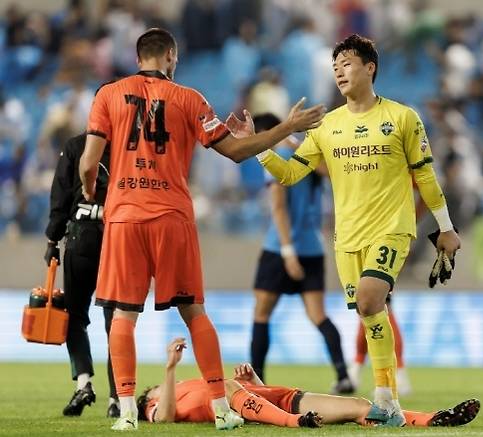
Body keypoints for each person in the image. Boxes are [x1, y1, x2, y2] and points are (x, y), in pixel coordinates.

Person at [79, 27, 325, 431]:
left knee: (122, 315)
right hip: (172, 217)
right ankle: (222, 408)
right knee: (194, 312)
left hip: (124, 215)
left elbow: (89, 163)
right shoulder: (190, 99)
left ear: (139, 56)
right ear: (171, 57)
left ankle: (125, 413)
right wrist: (286, 127)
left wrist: (94, 195)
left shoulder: (107, 94)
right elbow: (236, 151)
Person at [235, 33, 462, 426]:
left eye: (348, 64)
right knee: (369, 315)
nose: (339, 71)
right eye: (335, 66)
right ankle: (387, 400)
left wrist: (445, 228)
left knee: (373, 301)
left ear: (369, 68)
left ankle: (383, 397)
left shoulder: (402, 118)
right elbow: (290, 174)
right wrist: (260, 148)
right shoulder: (326, 126)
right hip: (347, 238)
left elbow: (425, 177)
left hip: (392, 229)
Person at [137, 338, 480, 428]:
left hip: (284, 398)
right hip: (282, 412)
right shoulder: (157, 403)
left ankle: (433, 418)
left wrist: (254, 382)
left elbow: (255, 400)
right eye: (153, 389)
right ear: (148, 398)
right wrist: (168, 371)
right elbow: (165, 417)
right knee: (226, 389)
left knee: (360, 407)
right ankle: (296, 424)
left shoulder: (195, 384)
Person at [250, 112, 352, 394]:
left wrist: (287, 251)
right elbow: (331, 173)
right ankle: (343, 374)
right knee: (318, 315)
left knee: (261, 313)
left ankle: (256, 380)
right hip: (313, 247)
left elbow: (279, 207)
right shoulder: (304, 153)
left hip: (280, 247)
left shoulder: (275, 156)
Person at [45, 131, 118, 418]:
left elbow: (60, 194)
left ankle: (84, 383)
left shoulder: (76, 146)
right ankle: (117, 397)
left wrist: (52, 240)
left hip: (81, 237)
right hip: (117, 238)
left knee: (75, 317)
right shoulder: (130, 145)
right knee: (117, 322)